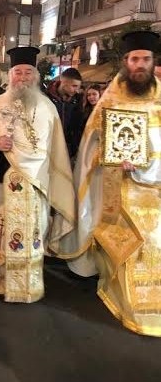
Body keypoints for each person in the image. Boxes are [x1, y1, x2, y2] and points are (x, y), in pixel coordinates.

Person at [59, 30, 161, 336]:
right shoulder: (111, 97)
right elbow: (91, 141)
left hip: (154, 190)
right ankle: (120, 291)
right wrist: (107, 153)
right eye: (134, 59)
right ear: (126, 62)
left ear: (153, 61)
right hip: (117, 188)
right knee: (122, 242)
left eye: (145, 59)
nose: (139, 64)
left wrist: (146, 162)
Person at [0, 46, 75, 303]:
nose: (23, 77)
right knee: (1, 232)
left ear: (35, 76)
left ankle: (29, 286)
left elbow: (56, 151)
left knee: (32, 234)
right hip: (1, 182)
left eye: (28, 72)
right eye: (18, 72)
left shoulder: (48, 108)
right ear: (10, 75)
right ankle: (0, 282)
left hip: (36, 184)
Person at [45, 67, 83, 160]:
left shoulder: (77, 100)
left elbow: (77, 127)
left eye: (78, 87)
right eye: (74, 86)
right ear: (63, 82)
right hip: (47, 148)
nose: (76, 90)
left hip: (68, 150)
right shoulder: (46, 97)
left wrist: (73, 149)